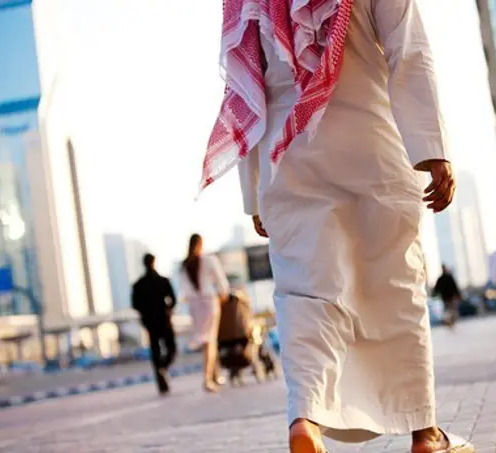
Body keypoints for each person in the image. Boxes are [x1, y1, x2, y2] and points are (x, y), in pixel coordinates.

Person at [200, 0, 473, 452]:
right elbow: (408, 50)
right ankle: (425, 433)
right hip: (371, 136)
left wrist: (253, 192)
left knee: (307, 292)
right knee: (395, 283)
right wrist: (432, 150)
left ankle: (304, 421)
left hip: (287, 151)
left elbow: (243, 88)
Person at [178, 234, 230, 393]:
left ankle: (215, 375)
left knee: (206, 340)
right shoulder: (209, 260)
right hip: (209, 302)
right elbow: (222, 284)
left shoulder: (184, 265)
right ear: (200, 244)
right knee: (211, 340)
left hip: (195, 306)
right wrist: (223, 294)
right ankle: (208, 379)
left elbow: (184, 291)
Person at [132, 253, 177, 395]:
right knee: (171, 348)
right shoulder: (162, 281)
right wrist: (167, 310)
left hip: (150, 322)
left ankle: (161, 372)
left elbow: (135, 304)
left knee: (156, 352)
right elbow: (173, 300)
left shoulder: (138, 285)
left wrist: (145, 313)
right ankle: (163, 369)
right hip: (163, 320)